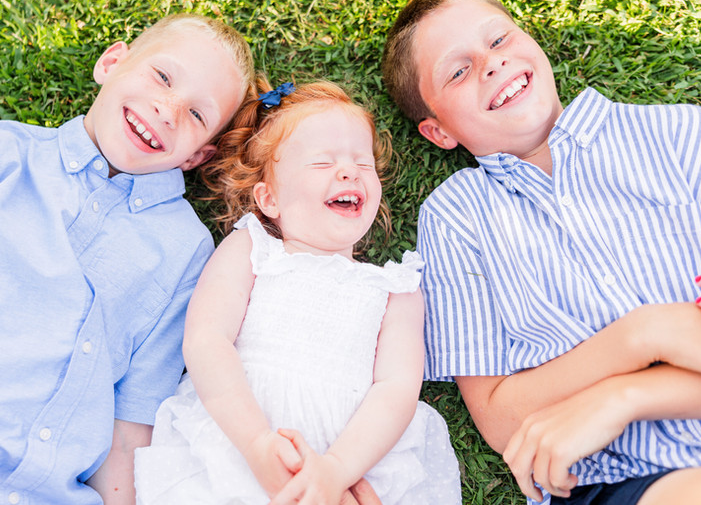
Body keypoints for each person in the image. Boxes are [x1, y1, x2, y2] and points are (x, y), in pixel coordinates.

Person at [381, 0, 701, 505]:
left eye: (499, 40)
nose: (491, 64)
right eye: (458, 71)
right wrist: (644, 335)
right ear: (438, 132)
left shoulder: (686, 136)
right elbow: (502, 420)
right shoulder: (456, 219)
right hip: (619, 480)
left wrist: (627, 394)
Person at [0, 12, 254, 505]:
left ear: (196, 157)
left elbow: (127, 436)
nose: (167, 109)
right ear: (112, 62)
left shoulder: (188, 253)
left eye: (198, 115)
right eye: (161, 76)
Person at [133, 80, 461, 504]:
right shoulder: (252, 248)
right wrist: (255, 443)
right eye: (322, 163)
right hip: (238, 436)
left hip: (354, 453)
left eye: (363, 163)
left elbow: (396, 390)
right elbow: (206, 340)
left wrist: (337, 471)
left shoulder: (395, 290)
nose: (349, 172)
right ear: (269, 198)